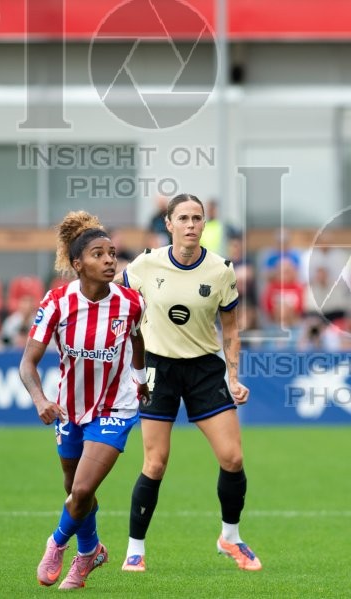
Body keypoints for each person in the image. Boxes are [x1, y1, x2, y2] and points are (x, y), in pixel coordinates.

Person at [117, 194, 261, 572]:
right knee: (156, 463)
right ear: (169, 223)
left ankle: (230, 537)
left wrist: (233, 376)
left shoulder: (221, 270)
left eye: (197, 217)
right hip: (158, 369)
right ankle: (135, 548)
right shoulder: (146, 265)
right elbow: (116, 296)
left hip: (203, 370)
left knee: (232, 458)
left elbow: (230, 327)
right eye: (183, 218)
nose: (192, 224)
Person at [19, 211, 147, 590]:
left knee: (83, 490)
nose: (109, 260)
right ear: (78, 264)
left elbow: (138, 341)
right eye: (98, 254)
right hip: (69, 409)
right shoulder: (57, 302)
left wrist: (139, 379)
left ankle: (57, 543)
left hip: (116, 407)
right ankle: (91, 549)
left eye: (112, 253)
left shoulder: (131, 303)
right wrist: (40, 399)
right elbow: (28, 364)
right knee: (72, 487)